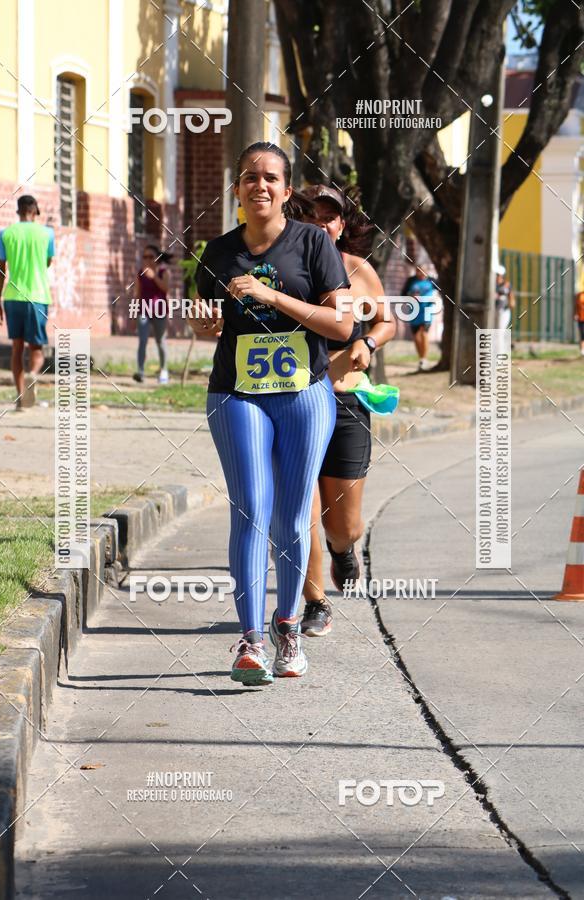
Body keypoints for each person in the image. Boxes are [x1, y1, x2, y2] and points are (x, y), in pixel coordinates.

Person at [191, 141, 353, 686]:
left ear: (285, 191)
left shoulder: (313, 243)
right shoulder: (217, 253)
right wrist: (201, 323)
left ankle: (288, 629)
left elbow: (342, 327)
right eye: (249, 177)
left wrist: (272, 296)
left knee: (290, 514)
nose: (259, 185)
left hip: (304, 392)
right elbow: (204, 319)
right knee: (250, 509)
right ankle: (251, 640)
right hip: (237, 392)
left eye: (270, 177)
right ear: (236, 189)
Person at [299, 185, 396, 636]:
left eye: (330, 217)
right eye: (312, 216)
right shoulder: (286, 268)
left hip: (346, 403)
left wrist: (368, 342)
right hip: (295, 401)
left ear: (341, 225)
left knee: (345, 525)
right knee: (301, 511)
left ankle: (342, 550)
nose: (322, 224)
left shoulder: (358, 270)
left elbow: (385, 319)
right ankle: (315, 603)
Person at [0, 195, 55, 410]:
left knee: (17, 348)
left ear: (18, 211)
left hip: (12, 297)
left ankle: (21, 398)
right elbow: (47, 262)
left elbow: (0, 269)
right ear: (35, 211)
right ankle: (33, 373)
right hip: (38, 296)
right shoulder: (47, 234)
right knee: (36, 348)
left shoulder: (5, 234)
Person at [133, 245, 172, 384]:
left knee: (160, 341)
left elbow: (165, 289)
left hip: (159, 311)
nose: (147, 260)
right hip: (143, 311)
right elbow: (137, 294)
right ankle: (140, 372)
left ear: (157, 258)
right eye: (145, 257)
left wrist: (154, 276)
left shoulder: (164, 272)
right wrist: (134, 314)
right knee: (142, 341)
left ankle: (164, 370)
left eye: (151, 257)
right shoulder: (140, 273)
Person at [402, 266, 437, 370]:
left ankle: (424, 359)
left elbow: (440, 292)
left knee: (424, 333)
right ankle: (421, 358)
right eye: (419, 271)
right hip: (414, 311)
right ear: (416, 272)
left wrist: (435, 299)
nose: (421, 273)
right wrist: (411, 297)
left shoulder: (432, 281)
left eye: (423, 271)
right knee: (416, 336)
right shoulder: (411, 281)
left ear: (426, 272)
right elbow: (403, 294)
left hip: (427, 310)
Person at [494, 265, 514, 331]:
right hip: (494, 310)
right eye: (496, 275)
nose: (497, 276)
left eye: (498, 275)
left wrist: (511, 302)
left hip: (504, 310)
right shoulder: (493, 285)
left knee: (500, 330)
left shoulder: (506, 284)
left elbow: (511, 299)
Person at [575, 287, 584, 357]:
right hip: (581, 317)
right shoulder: (579, 295)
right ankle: (582, 349)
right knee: (582, 333)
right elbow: (576, 306)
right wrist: (576, 314)